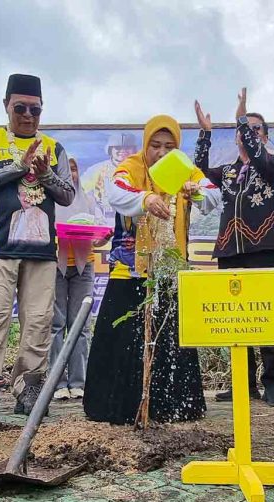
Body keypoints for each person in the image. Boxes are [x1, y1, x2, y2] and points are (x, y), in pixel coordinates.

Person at [84, 114, 220, 425]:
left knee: (170, 339)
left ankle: (172, 409)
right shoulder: (132, 167)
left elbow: (213, 195)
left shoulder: (183, 169)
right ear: (145, 144)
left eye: (169, 146)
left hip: (168, 272)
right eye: (155, 145)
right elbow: (116, 193)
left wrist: (192, 190)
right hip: (130, 271)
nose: (161, 152)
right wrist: (145, 198)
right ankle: (113, 410)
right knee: (120, 339)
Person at [0, 74, 74, 415]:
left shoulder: (54, 148)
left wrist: (44, 175)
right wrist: (17, 167)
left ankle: (28, 392)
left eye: (35, 110)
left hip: (41, 253)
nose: (27, 115)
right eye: (20, 108)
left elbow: (67, 194)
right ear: (6, 106)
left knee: (39, 324)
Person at [193, 88, 274, 408]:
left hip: (263, 245)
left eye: (255, 128)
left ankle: (272, 384)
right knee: (236, 319)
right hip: (229, 250)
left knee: (267, 319)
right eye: (243, 129)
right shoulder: (229, 171)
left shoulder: (273, 163)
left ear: (264, 136)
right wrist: (205, 134)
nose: (247, 133)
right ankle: (243, 384)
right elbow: (200, 170)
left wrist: (240, 117)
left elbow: (259, 155)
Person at [49, 156, 106, 400]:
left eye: (73, 169)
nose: (70, 173)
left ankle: (78, 382)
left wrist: (101, 239)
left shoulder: (88, 199)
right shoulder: (48, 200)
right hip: (55, 266)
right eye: (65, 169)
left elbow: (98, 231)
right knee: (56, 325)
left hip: (84, 266)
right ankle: (58, 383)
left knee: (80, 325)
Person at [81, 132, 137, 220]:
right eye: (118, 147)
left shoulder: (140, 170)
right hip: (103, 219)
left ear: (134, 150)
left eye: (127, 147)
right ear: (110, 149)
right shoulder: (96, 169)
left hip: (133, 221)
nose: (123, 150)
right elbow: (81, 191)